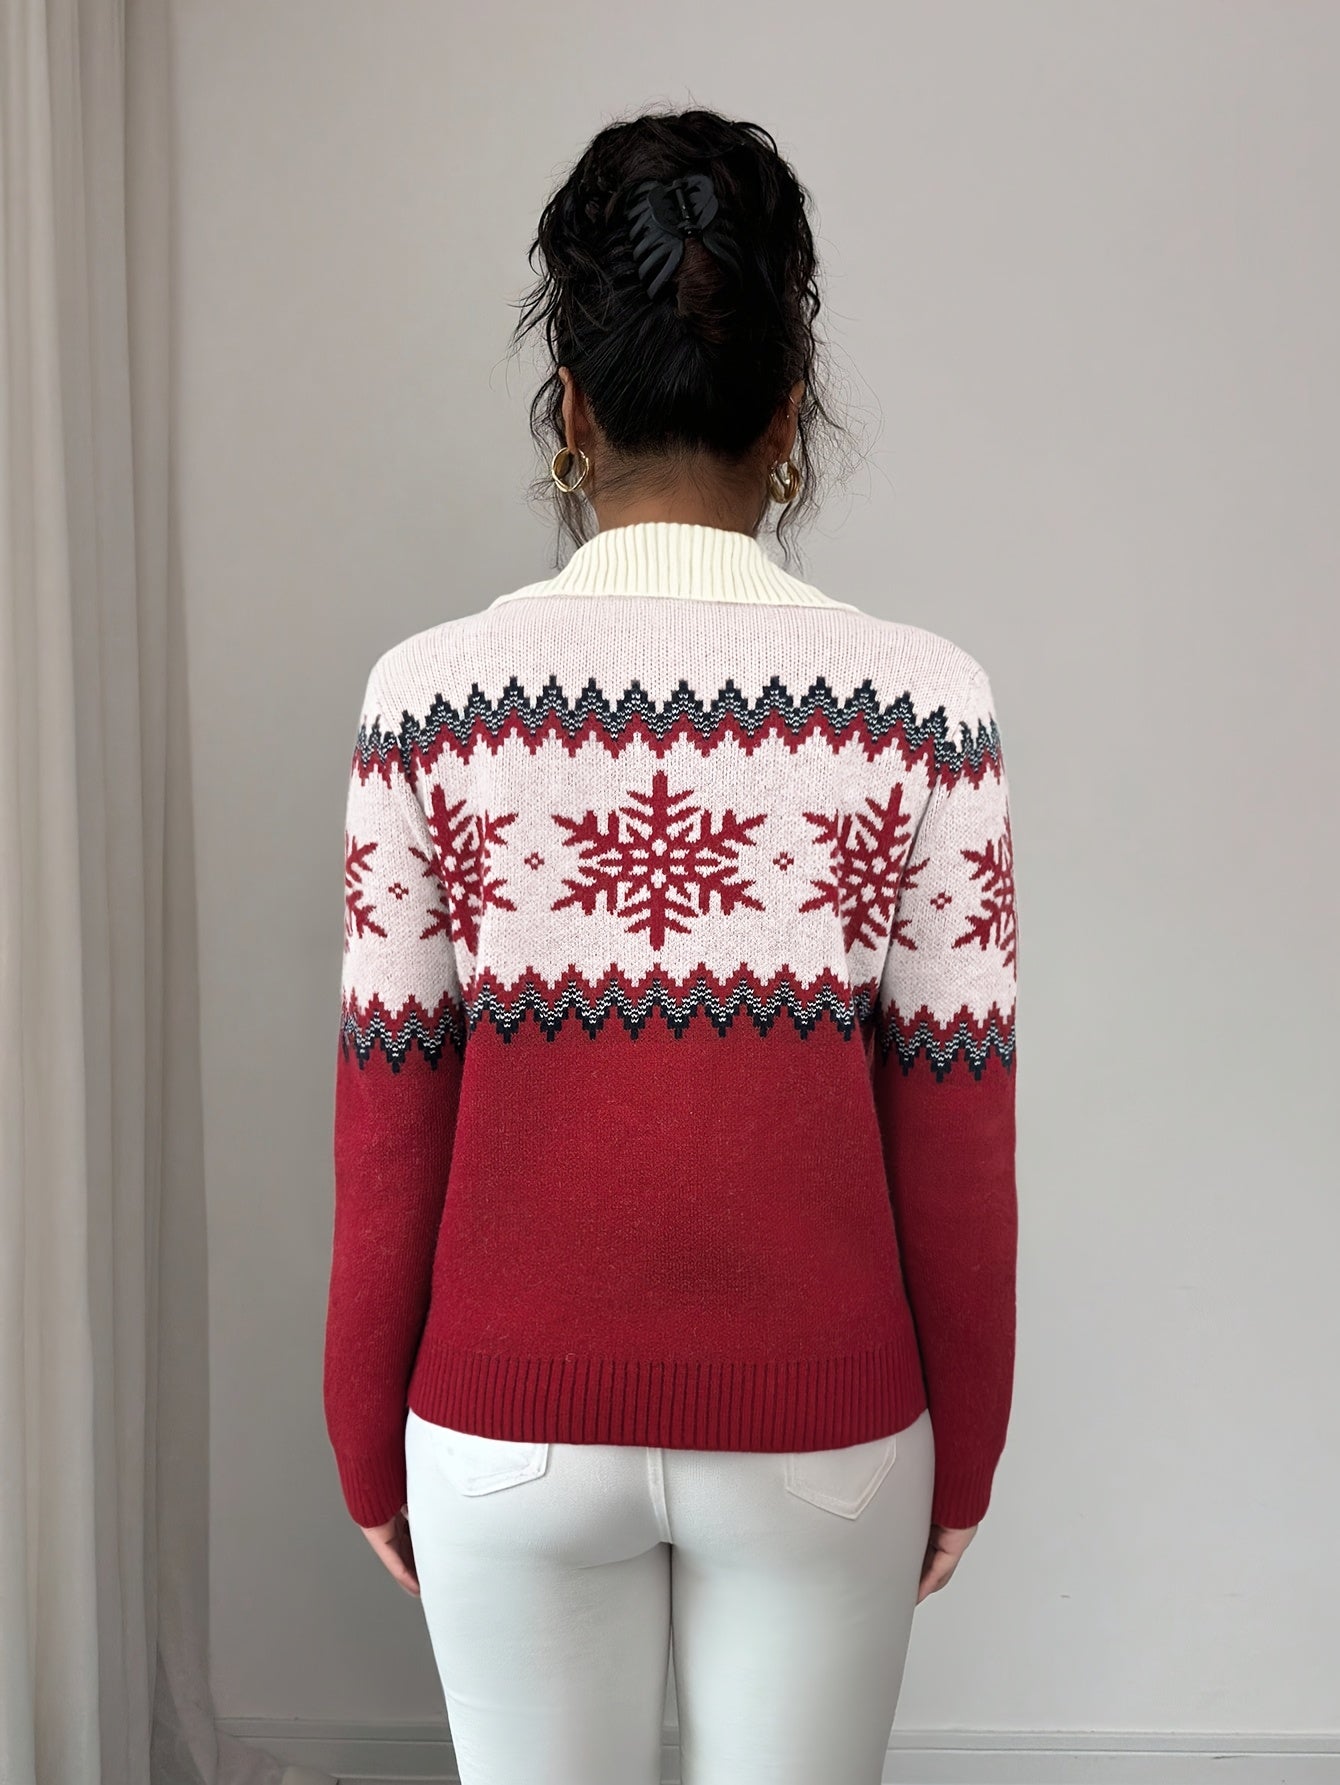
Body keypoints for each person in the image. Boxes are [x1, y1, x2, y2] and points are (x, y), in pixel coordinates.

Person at [323, 106, 1018, 1785]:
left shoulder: (427, 705)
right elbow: (957, 1135)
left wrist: (363, 1436)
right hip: (826, 1435)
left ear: (569, 409)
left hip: (498, 1427)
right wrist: (971, 1446)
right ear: (791, 414)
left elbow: (389, 1122)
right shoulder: (927, 711)